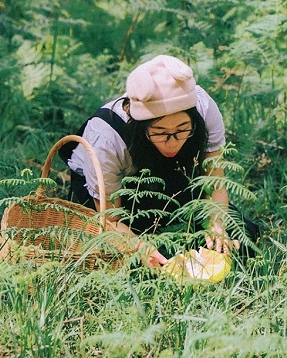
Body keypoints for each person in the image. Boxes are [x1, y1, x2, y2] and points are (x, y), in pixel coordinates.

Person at [67, 55, 235, 267]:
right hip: (111, 193)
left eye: (183, 129)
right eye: (159, 132)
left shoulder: (204, 108)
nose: (172, 143)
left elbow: (215, 183)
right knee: (141, 258)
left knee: (237, 238)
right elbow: (110, 220)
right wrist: (140, 247)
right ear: (141, 128)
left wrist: (216, 224)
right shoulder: (106, 138)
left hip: (167, 173)